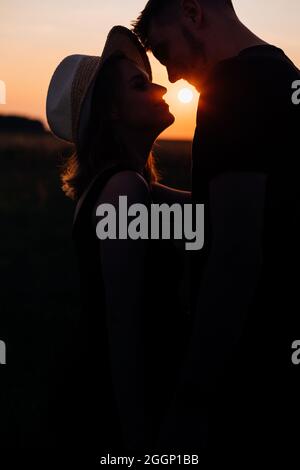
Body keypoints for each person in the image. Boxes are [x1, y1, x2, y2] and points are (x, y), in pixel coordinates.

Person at [132, 0, 300, 458]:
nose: (168, 75)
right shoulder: (282, 72)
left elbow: (235, 253)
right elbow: (261, 211)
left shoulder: (234, 86)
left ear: (192, 12)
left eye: (164, 51)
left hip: (244, 370)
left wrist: (192, 396)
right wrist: (148, 194)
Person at [46, 26, 191, 457]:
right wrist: (136, 444)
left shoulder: (129, 187)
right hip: (117, 412)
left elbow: (214, 209)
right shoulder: (124, 189)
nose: (162, 86)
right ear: (111, 112)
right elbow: (122, 328)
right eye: (139, 84)